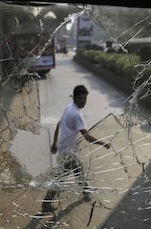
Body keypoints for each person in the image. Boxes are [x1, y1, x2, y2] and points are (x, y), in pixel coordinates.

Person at [42, 84, 110, 212]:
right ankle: (46, 202)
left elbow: (58, 124)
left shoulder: (69, 108)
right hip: (68, 153)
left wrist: (54, 143)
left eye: (85, 99)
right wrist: (104, 143)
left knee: (78, 170)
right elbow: (87, 137)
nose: (83, 101)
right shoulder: (76, 114)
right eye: (80, 98)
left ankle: (85, 191)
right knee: (62, 178)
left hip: (65, 150)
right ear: (74, 98)